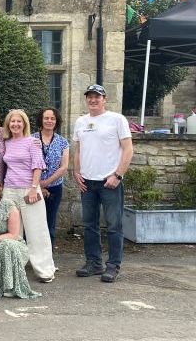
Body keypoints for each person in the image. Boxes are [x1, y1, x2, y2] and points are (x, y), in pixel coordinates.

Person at [73, 84, 133, 283]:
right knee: (90, 225)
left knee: (114, 225)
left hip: (110, 182)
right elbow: (79, 149)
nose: (93, 100)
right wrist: (76, 171)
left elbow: (127, 149)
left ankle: (113, 265)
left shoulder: (117, 119)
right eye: (89, 97)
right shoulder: (81, 121)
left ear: (104, 99)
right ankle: (94, 263)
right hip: (87, 183)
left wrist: (118, 175)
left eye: (97, 97)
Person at [2, 109, 56, 283]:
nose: (16, 124)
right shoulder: (6, 142)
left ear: (24, 124)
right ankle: (15, 267)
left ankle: (44, 270)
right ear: (8, 124)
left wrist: (34, 188)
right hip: (9, 190)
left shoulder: (32, 142)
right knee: (13, 232)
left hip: (29, 190)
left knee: (36, 231)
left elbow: (38, 166)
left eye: (19, 121)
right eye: (12, 121)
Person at [0, 175, 40, 299]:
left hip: (12, 246)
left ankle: (11, 286)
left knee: (7, 245)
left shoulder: (9, 205)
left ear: (0, 187)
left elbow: (14, 235)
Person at [31, 108, 70, 246]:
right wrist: (37, 185)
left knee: (50, 222)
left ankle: (49, 256)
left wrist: (46, 183)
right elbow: (26, 163)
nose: (49, 121)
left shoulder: (63, 142)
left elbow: (64, 166)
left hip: (54, 188)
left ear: (56, 121)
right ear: (41, 120)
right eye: (46, 118)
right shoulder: (31, 138)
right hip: (33, 188)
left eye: (52, 118)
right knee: (33, 223)